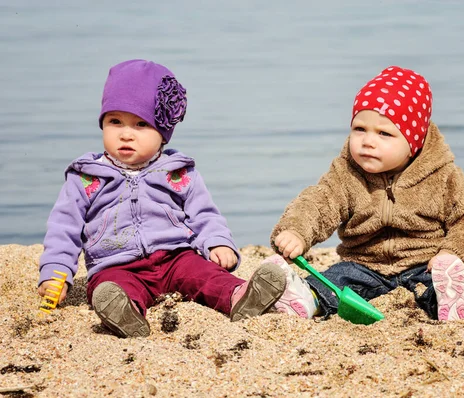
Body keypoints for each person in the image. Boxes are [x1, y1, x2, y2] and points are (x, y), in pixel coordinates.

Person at [37, 59, 287, 338]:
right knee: (111, 288)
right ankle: (125, 313)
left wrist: (218, 242)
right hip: (115, 263)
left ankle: (240, 296)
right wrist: (56, 272)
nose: (126, 133)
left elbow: (204, 214)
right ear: (102, 123)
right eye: (115, 121)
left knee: (204, 275)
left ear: (164, 134)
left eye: (141, 124)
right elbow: (64, 228)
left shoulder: (177, 172)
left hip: (176, 257)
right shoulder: (86, 177)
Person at [269, 66, 464, 322]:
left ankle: (455, 296)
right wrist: (296, 231)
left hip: (424, 263)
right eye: (359, 129)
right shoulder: (346, 174)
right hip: (364, 265)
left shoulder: (442, 176)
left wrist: (454, 252)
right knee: (335, 281)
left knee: (455, 284)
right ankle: (306, 299)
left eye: (384, 133)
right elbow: (319, 203)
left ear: (414, 142)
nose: (368, 141)